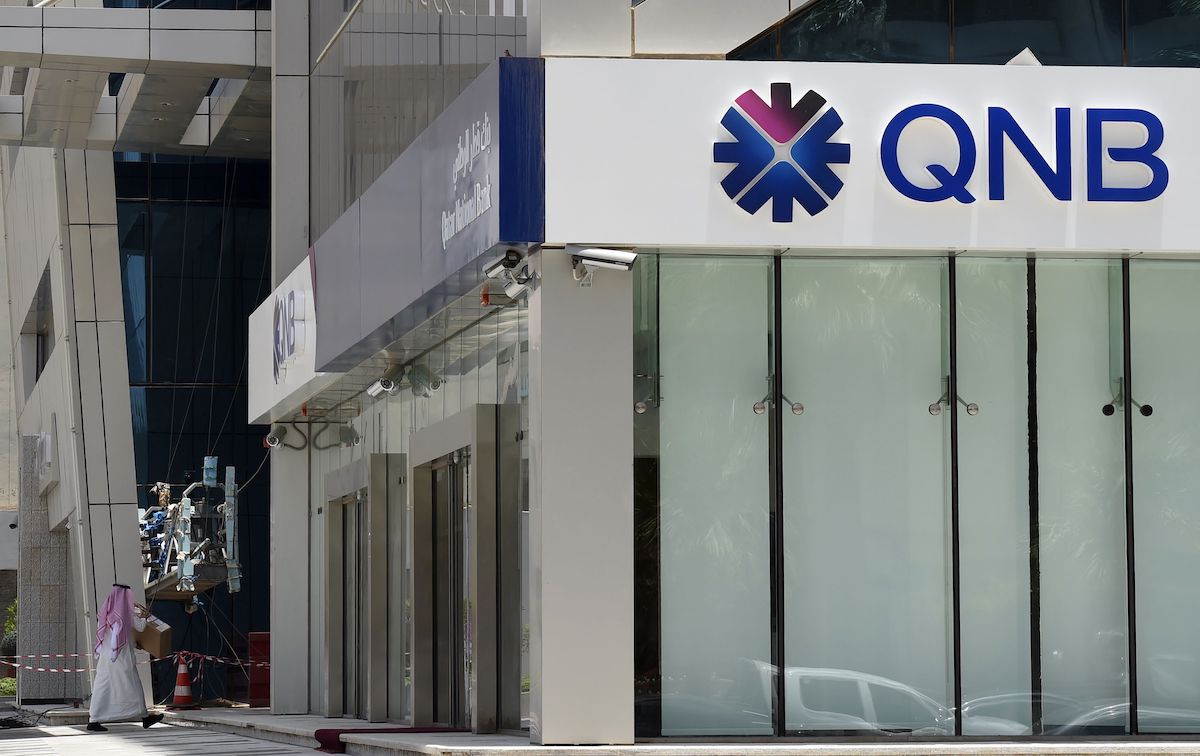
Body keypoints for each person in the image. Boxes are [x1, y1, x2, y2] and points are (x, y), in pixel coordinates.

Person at [86, 584, 165, 732]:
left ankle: (93, 719)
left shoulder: (106, 612)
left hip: (106, 658)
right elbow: (140, 627)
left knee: (102, 687)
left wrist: (135, 643)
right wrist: (146, 616)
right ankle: (145, 717)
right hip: (121, 658)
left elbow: (119, 635)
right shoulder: (125, 613)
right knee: (134, 685)